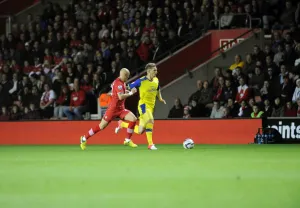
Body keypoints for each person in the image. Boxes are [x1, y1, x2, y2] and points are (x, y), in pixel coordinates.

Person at [79, 68, 138, 150]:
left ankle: (127, 140)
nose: (128, 78)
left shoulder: (121, 82)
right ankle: (84, 138)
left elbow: (117, 92)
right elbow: (120, 96)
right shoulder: (118, 83)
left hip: (121, 109)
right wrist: (131, 93)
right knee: (101, 126)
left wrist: (128, 91)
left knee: (133, 119)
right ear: (124, 75)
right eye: (127, 76)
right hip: (113, 110)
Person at [115, 63, 166, 150]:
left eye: (156, 70)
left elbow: (157, 89)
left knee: (140, 131)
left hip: (151, 107)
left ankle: (122, 124)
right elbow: (128, 86)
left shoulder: (156, 80)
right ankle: (150, 144)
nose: (156, 72)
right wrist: (120, 91)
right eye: (154, 70)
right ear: (149, 71)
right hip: (143, 105)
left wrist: (160, 98)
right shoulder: (141, 81)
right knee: (150, 121)